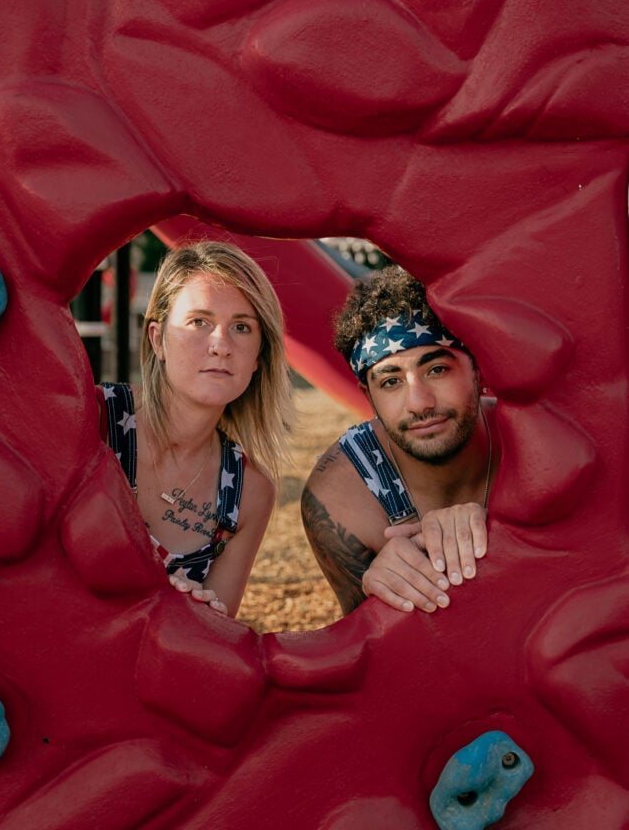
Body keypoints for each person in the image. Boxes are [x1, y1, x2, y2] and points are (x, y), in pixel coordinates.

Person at [96, 241, 291, 618]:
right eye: (199, 322)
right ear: (157, 339)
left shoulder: (249, 492)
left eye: (241, 327)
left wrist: (196, 617)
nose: (220, 345)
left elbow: (216, 635)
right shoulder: (97, 418)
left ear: (257, 358)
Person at [301, 266, 499, 616]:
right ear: (369, 395)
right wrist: (385, 594)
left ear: (477, 368)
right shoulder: (341, 498)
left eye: (437, 370)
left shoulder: (531, 437)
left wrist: (498, 529)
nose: (420, 403)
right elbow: (373, 649)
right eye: (390, 382)